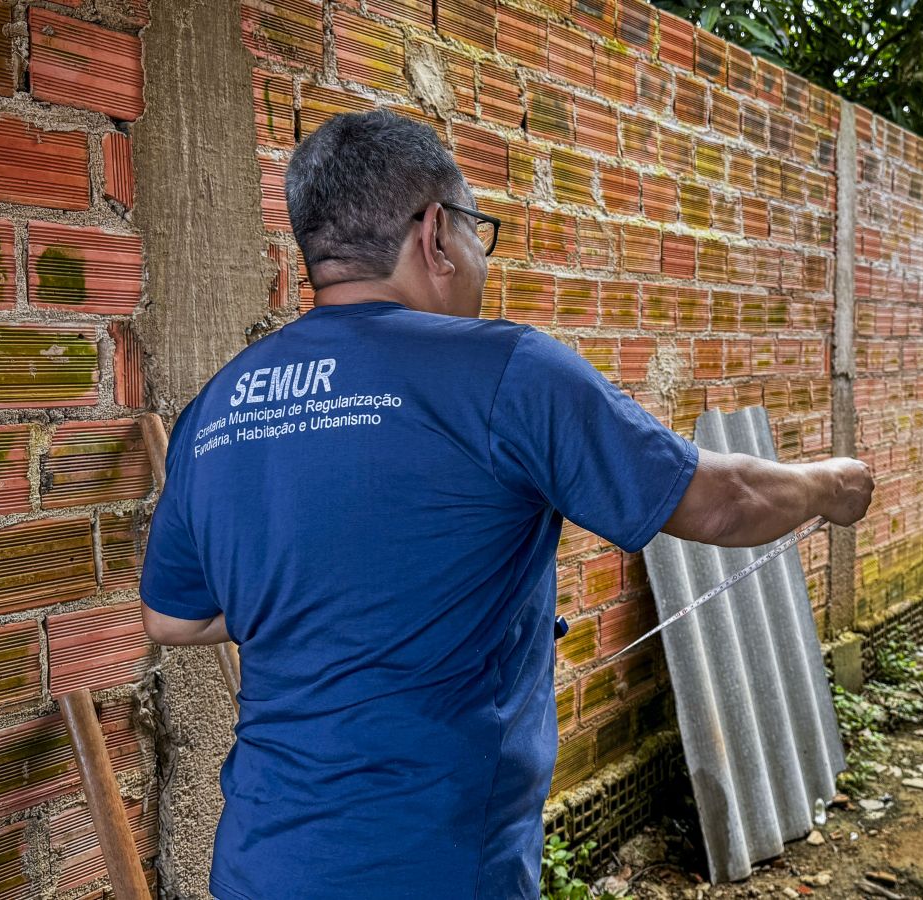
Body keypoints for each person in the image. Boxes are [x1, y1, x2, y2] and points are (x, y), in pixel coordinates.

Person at [139, 109, 875, 899]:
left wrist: (301, 604)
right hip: (435, 870)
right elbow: (721, 503)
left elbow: (172, 619)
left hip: (259, 865)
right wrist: (831, 485)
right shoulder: (505, 373)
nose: (478, 264)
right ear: (434, 234)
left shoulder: (215, 411)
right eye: (473, 233)